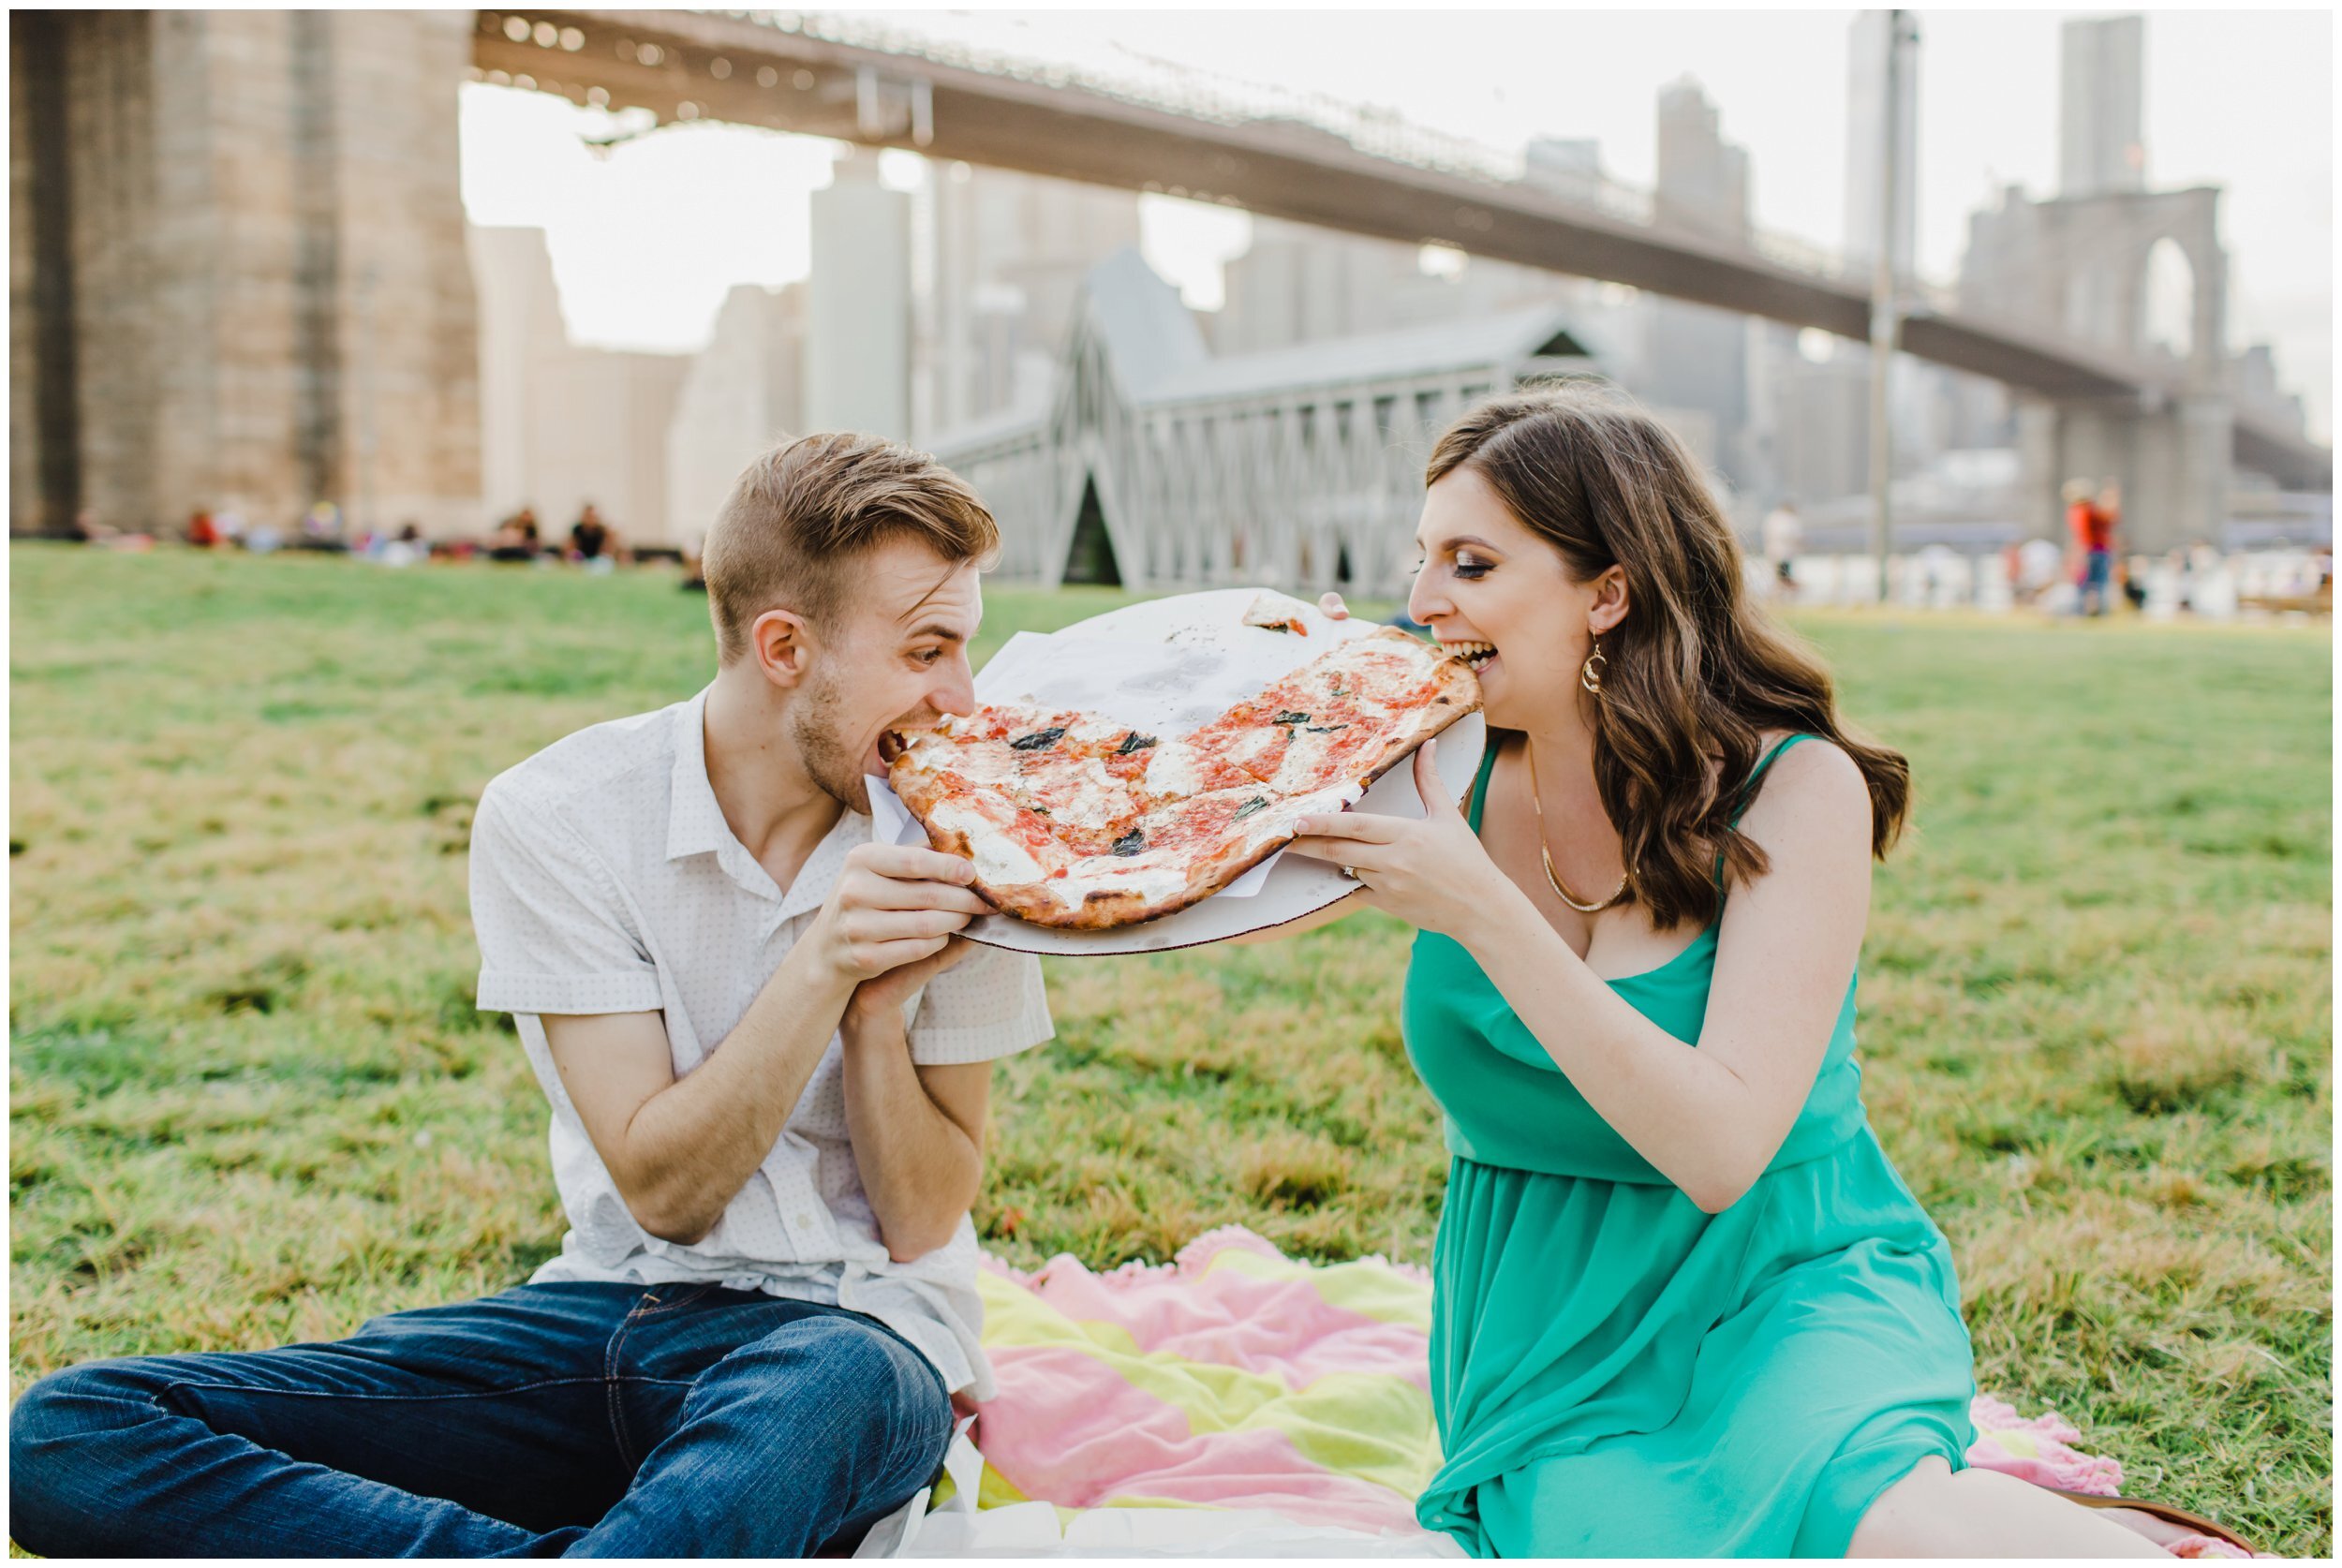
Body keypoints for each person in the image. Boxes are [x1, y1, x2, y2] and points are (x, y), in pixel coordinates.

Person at [9, 433, 1055, 1556]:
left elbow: (923, 1218)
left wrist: (876, 1013)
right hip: (606, 1313)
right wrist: (820, 967)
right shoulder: (560, 817)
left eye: (964, 649)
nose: (962, 697)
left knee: (831, 1381)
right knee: (71, 1435)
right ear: (786, 647)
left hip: (852, 1337)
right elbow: (667, 1191)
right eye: (927, 650)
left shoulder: (975, 841)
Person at [1267, 386, 2246, 1557]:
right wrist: (1284, 722)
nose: (1422, 602)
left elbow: (1721, 1152)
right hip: (1551, 1325)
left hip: (1786, 1279)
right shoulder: (1427, 770)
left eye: (1470, 565)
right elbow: (1174, 896)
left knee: (1872, 1515)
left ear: (1608, 592)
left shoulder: (1795, 787)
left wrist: (1480, 909)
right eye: (1420, 560)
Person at [2069, 479, 2116, 616]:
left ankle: (2081, 612)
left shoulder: (2079, 510)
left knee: (2084, 582)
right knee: (2099, 582)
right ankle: (2099, 612)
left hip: (2091, 550)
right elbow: (2110, 519)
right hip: (2097, 550)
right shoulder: (2090, 510)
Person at [1760, 499, 1802, 601]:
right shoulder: (1786, 520)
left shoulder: (1772, 518)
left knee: (1779, 577)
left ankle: (1778, 598)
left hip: (1775, 553)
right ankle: (1780, 598)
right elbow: (1792, 536)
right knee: (1783, 578)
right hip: (1784, 554)